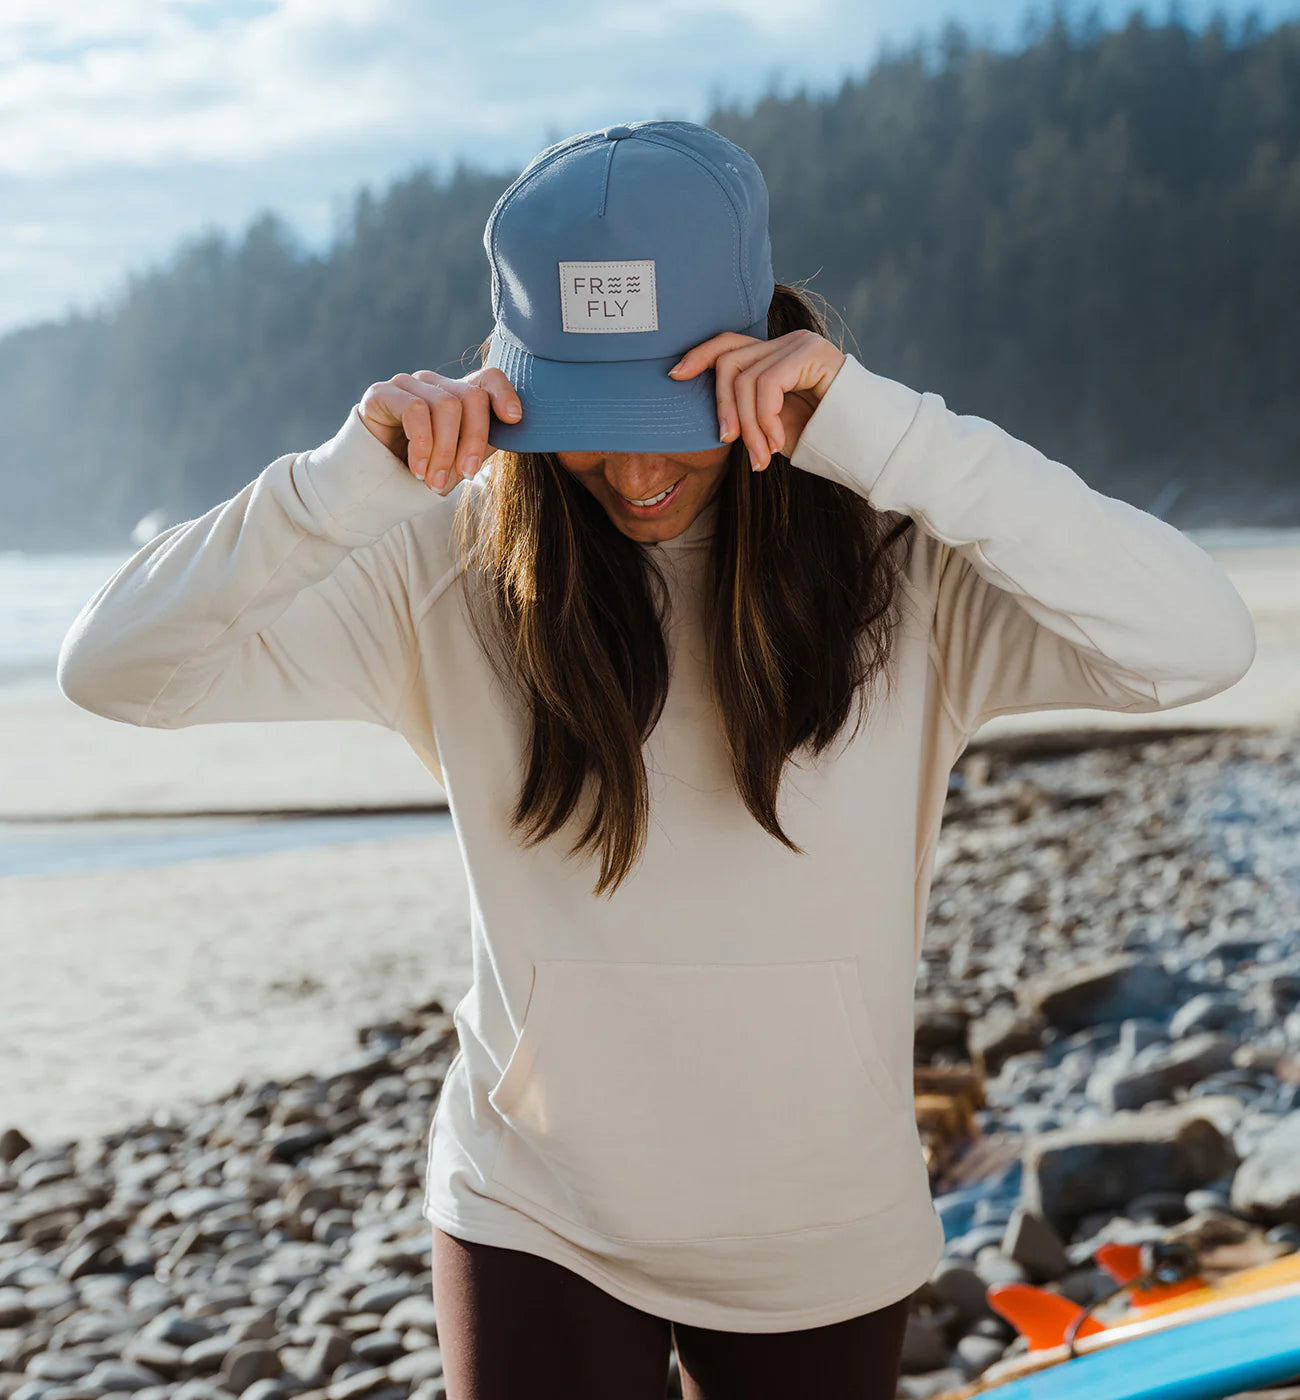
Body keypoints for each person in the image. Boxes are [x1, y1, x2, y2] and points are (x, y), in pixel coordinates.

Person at [57, 119, 1257, 1399]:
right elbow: (115, 667)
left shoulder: (901, 568)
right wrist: (338, 486)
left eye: (671, 413)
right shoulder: (448, 567)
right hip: (537, 1210)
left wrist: (885, 431)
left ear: (763, 357)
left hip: (821, 1226)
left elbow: (1195, 640)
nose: (631, 471)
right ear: (517, 381)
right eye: (587, 417)